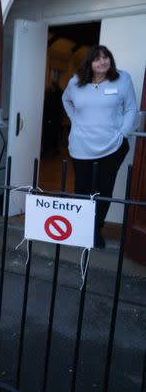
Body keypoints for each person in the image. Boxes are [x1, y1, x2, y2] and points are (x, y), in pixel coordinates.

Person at [62, 45, 138, 248]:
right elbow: (65, 99)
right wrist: (74, 119)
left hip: (112, 146)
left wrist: (123, 133)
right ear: (89, 63)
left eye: (106, 57)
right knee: (82, 189)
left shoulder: (123, 79)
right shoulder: (76, 82)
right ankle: (80, 229)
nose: (102, 61)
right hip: (81, 145)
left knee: (103, 190)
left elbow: (131, 108)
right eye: (97, 59)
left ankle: (96, 230)